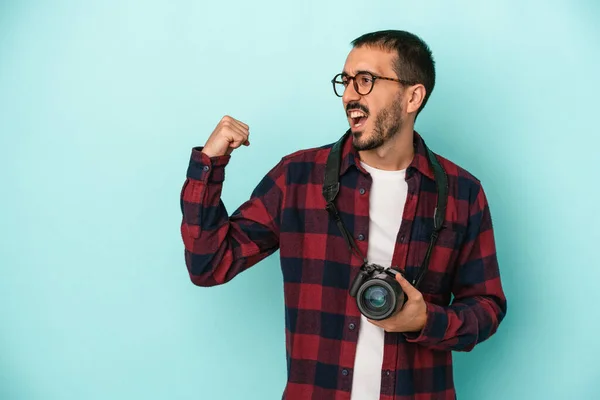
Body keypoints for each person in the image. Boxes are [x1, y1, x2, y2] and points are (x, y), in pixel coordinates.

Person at [179, 29, 507, 400]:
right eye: (346, 81)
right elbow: (208, 264)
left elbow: (486, 306)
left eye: (366, 81)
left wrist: (425, 320)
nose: (350, 94)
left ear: (413, 96)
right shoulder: (298, 177)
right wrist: (209, 163)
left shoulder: (462, 192)